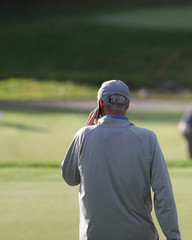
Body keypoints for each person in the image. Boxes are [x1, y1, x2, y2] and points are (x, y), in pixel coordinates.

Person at [61, 80, 181, 240]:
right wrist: (173, 236)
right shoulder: (148, 138)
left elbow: (70, 178)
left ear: (100, 104)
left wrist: (87, 130)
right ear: (128, 104)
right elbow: (163, 192)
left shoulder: (83, 135)